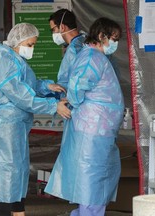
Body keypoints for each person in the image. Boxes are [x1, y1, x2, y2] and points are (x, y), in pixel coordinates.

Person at [0, 23, 71, 216]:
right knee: (9, 169)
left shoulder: (14, 58)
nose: (31, 48)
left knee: (18, 168)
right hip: (5, 123)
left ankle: (18, 211)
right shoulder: (2, 58)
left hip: (14, 123)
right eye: (30, 44)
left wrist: (47, 87)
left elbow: (28, 84)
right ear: (18, 40)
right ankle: (6, 212)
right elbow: (21, 95)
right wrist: (53, 106)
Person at [45, 17, 125, 216]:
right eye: (113, 39)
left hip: (97, 129)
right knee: (91, 184)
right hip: (92, 130)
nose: (115, 43)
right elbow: (76, 90)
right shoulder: (91, 58)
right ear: (101, 36)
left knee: (95, 182)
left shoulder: (97, 57)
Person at [49, 8, 86, 91]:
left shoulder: (74, 50)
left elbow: (70, 83)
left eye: (53, 30)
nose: (53, 34)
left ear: (62, 27)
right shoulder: (88, 41)